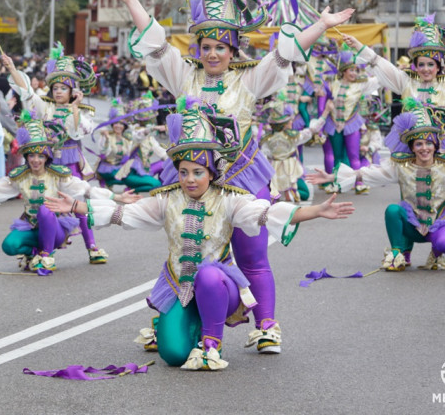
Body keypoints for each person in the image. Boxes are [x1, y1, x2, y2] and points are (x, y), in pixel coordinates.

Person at [116, 0, 353, 352]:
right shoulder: (184, 76)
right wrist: (131, 2)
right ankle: (173, 318)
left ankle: (266, 326)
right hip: (192, 177)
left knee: (251, 254)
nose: (212, 54)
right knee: (188, 246)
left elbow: (284, 55)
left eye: (220, 48)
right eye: (206, 46)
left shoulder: (249, 80)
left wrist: (321, 25)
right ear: (199, 47)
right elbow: (157, 44)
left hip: (241, 174)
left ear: (233, 49)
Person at [45, 98, 352, 369]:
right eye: (184, 172)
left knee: (207, 274)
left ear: (211, 173)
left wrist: (316, 211)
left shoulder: (230, 199)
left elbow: (268, 213)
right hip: (179, 284)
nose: (190, 179)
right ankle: (185, 326)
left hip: (220, 287)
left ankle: (211, 345)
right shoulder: (168, 200)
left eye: (198, 172)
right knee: (174, 354)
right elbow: (125, 214)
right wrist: (75, 206)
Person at [0, 116, 138, 274]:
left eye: (41, 156)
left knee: (46, 208)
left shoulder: (58, 176)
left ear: (47, 157)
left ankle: (47, 255)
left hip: (56, 228)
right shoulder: (20, 177)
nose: (36, 160)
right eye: (32, 155)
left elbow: (85, 190)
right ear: (26, 157)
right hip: (30, 224)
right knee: (9, 246)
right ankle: (34, 252)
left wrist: (117, 197)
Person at [307, 99, 445, 271]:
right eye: (419, 143)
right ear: (412, 147)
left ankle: (436, 254)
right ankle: (398, 252)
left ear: (435, 145)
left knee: (443, 243)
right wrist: (331, 177)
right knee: (393, 211)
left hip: (438, 225)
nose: (424, 148)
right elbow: (369, 172)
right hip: (412, 226)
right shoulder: (401, 166)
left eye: (428, 143)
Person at [3, 46, 109, 264]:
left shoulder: (83, 110)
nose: (59, 91)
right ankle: (38, 250)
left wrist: (75, 108)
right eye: (56, 87)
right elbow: (28, 93)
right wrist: (13, 69)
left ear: (72, 91)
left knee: (78, 204)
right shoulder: (45, 107)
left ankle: (92, 246)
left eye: (64, 88)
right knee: (40, 204)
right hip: (47, 163)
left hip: (71, 162)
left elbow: (79, 130)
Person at [318, 50, 379, 193]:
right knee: (337, 156)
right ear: (344, 71)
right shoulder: (334, 83)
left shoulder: (361, 85)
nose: (354, 73)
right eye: (351, 70)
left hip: (351, 124)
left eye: (356, 70)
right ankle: (338, 183)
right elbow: (323, 90)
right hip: (334, 124)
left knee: (354, 156)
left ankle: (359, 183)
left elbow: (379, 80)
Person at [96, 100, 162, 193]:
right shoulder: (107, 137)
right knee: (156, 184)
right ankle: (122, 186)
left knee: (151, 180)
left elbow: (138, 137)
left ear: (124, 126)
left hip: (124, 170)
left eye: (121, 124)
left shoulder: (126, 139)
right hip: (110, 171)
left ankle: (115, 183)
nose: (118, 126)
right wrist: (106, 138)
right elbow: (103, 151)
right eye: (116, 123)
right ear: (112, 124)